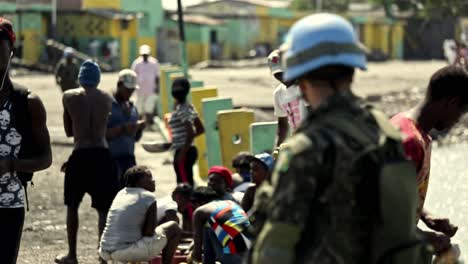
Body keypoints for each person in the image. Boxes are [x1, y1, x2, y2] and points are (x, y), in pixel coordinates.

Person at [250, 13, 426, 263]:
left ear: (300, 74)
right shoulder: (384, 131)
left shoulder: (305, 149)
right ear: (353, 69)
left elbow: (274, 247)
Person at [390, 65, 468, 255]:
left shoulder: (409, 128)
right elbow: (384, 211)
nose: (457, 121)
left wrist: (426, 216)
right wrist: (425, 237)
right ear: (452, 102)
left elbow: (399, 195)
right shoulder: (409, 142)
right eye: (460, 113)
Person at [0, 17, 52, 264]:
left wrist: (11, 165)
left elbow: (46, 158)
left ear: (11, 51)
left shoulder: (27, 102)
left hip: (9, 205)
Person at [57, 60, 118, 264]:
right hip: (102, 154)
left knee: (72, 206)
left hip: (80, 153)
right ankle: (102, 256)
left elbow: (68, 131)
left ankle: (72, 255)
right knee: (103, 209)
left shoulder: (69, 97)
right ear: (98, 78)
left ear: (80, 78)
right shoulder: (107, 98)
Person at [99, 166, 181, 264]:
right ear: (138, 182)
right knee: (173, 227)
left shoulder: (121, 193)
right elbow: (149, 233)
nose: (153, 181)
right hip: (125, 251)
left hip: (105, 250)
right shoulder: (148, 197)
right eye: (149, 177)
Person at [189, 186, 252, 264]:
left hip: (236, 259)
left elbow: (197, 252)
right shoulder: (231, 203)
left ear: (200, 203)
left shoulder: (200, 211)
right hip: (252, 255)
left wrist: (193, 257)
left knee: (207, 227)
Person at [106, 69, 146, 187]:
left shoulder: (133, 108)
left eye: (132, 89)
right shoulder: (107, 105)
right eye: (127, 89)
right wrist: (123, 129)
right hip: (111, 160)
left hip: (129, 159)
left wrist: (139, 129)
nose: (130, 92)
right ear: (119, 85)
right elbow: (100, 134)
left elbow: (135, 138)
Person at [169, 78, 205, 186]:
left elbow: (190, 131)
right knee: (187, 181)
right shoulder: (188, 106)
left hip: (184, 152)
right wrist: (180, 140)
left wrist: (182, 151)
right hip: (189, 149)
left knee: (184, 186)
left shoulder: (181, 108)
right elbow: (200, 129)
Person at [269, 49, 308, 148]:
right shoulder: (278, 94)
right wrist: (278, 148)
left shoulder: (305, 87)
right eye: (277, 74)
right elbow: (282, 125)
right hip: (296, 141)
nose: (283, 77)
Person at [131, 44, 160, 127]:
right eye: (143, 55)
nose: (145, 56)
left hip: (151, 89)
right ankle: (139, 125)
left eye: (146, 55)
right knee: (139, 108)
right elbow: (133, 75)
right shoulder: (137, 63)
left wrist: (158, 88)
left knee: (149, 108)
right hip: (140, 90)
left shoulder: (154, 63)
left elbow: (157, 76)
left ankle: (148, 125)